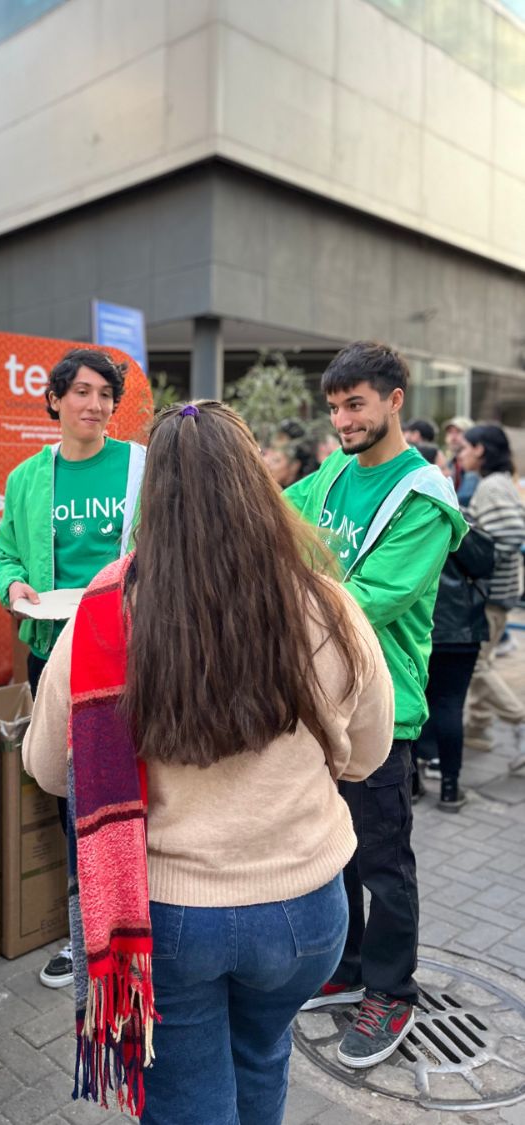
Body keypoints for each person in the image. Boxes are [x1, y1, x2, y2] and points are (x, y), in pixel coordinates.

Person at [23, 401, 393, 1123]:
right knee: (262, 1057)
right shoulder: (330, 607)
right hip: (308, 907)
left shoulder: (101, 614)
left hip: (165, 917)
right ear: (257, 483)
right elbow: (369, 752)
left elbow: (46, 767)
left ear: (151, 495)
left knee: (189, 1102)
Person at [286, 341, 466, 1068]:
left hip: (381, 708)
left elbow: (374, 599)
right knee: (341, 849)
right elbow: (278, 518)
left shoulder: (425, 497)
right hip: (323, 696)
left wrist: (275, 604)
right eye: (333, 407)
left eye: (355, 403)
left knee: (385, 859)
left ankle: (392, 989)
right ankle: (351, 963)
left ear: (396, 400)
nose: (342, 420)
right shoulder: (333, 471)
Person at [0, 346, 146, 989]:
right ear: (54, 400)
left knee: (139, 780)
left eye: (106, 394)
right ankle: (83, 927)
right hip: (53, 648)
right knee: (70, 785)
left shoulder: (143, 466)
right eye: (82, 392)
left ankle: (143, 916)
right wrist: (15, 588)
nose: (96, 405)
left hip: (132, 647)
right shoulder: (28, 477)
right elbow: (6, 555)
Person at [410, 443, 493, 811]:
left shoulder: (400, 519)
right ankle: (449, 788)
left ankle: (411, 783)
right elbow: (482, 563)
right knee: (448, 706)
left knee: (413, 705)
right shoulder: (452, 516)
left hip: (417, 627)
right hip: (459, 630)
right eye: (443, 467)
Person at [457, 424, 525, 765]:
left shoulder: (492, 486)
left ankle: (519, 720)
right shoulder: (499, 483)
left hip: (491, 596)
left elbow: (512, 532)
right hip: (499, 594)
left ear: (480, 449)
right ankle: (478, 729)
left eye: (464, 447)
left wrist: (478, 558)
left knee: (476, 667)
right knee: (483, 661)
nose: (460, 454)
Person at [444, 415, 478, 506]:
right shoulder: (448, 464)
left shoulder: (476, 465)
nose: (453, 437)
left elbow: (465, 498)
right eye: (450, 432)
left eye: (458, 432)